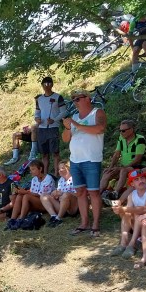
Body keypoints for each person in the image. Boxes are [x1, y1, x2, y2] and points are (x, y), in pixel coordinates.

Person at [62, 88, 107, 236]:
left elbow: (100, 129)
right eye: (73, 99)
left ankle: (96, 224)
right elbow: (65, 139)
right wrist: (68, 128)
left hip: (91, 159)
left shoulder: (97, 113)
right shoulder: (74, 116)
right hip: (75, 159)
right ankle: (84, 222)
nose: (75, 102)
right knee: (80, 192)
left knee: (93, 192)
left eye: (77, 98)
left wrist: (76, 124)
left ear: (87, 98)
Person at [110, 169, 146, 258]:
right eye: (136, 179)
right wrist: (120, 210)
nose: (141, 181)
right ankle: (124, 243)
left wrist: (123, 209)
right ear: (132, 184)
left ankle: (132, 244)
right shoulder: (132, 195)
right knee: (128, 213)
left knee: (135, 212)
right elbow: (128, 211)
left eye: (142, 178)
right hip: (141, 225)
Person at [99, 119, 146, 203]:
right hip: (124, 167)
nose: (121, 132)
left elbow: (138, 159)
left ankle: (115, 193)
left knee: (123, 170)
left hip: (137, 166)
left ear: (131, 130)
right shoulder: (121, 138)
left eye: (123, 131)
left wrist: (122, 168)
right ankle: (98, 194)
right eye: (120, 130)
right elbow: (116, 154)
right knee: (107, 172)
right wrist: (111, 167)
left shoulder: (140, 139)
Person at [6, 160, 55, 230]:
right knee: (20, 195)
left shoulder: (48, 179)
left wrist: (25, 192)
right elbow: (33, 192)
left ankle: (21, 219)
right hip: (35, 202)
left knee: (26, 196)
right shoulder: (34, 179)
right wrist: (21, 191)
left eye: (33, 169)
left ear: (40, 169)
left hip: (45, 203)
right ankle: (12, 219)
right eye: (30, 169)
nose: (31, 171)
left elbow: (41, 195)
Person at [33, 77, 65, 177]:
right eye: (44, 84)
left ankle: (56, 173)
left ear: (52, 84)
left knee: (55, 153)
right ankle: (45, 174)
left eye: (48, 84)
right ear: (42, 85)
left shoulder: (58, 97)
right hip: (42, 129)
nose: (46, 86)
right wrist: (37, 119)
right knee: (44, 154)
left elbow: (64, 112)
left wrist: (54, 119)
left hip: (53, 127)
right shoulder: (39, 99)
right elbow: (37, 113)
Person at [39, 162, 78, 227]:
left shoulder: (75, 179)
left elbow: (79, 195)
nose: (60, 170)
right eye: (59, 168)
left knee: (66, 195)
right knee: (43, 195)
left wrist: (62, 193)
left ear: (68, 169)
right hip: (61, 205)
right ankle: (53, 216)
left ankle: (58, 218)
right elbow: (58, 193)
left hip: (73, 207)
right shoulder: (61, 180)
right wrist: (55, 194)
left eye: (62, 168)